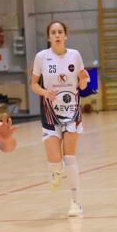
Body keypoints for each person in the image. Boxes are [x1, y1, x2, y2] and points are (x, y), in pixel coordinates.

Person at [30, 21, 89, 217]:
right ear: (49, 37)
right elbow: (33, 84)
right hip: (49, 110)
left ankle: (75, 202)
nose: (57, 35)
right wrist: (44, 92)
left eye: (60, 32)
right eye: (53, 32)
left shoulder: (75, 55)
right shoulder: (41, 57)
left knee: (69, 158)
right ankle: (56, 170)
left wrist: (83, 79)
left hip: (71, 110)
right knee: (54, 160)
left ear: (65, 35)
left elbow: (82, 85)